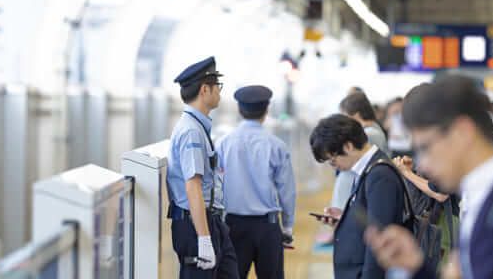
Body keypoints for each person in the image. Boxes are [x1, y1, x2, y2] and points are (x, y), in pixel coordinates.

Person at [365, 75, 493, 279]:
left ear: (462, 132)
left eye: (426, 147)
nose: (423, 163)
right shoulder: (489, 197)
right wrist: (416, 267)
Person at [166, 56, 239, 279]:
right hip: (196, 225)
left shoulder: (198, 126)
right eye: (218, 86)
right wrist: (204, 239)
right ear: (205, 90)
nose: (220, 92)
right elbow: (192, 186)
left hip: (211, 221)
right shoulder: (191, 132)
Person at [309, 114, 405, 279]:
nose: (334, 167)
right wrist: (344, 219)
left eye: (333, 160)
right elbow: (371, 219)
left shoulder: (379, 175)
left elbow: (380, 239)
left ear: (347, 146)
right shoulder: (368, 169)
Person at [216, 85, 296, 279]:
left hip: (233, 225)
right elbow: (287, 191)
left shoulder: (223, 143)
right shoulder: (277, 145)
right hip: (267, 227)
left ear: (239, 109)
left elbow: (215, 186)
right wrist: (287, 226)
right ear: (267, 110)